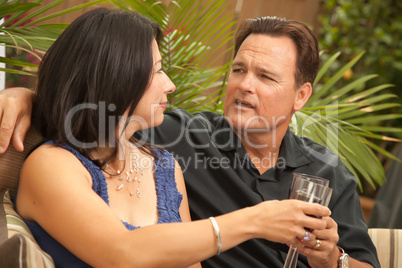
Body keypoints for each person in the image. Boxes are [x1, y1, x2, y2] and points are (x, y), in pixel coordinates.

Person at [0, 14, 379, 268]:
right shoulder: (181, 135)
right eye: (238, 70)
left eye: (265, 77)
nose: (245, 85)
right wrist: (25, 98)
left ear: (301, 95)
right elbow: (101, 104)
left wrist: (334, 259)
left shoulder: (329, 172)